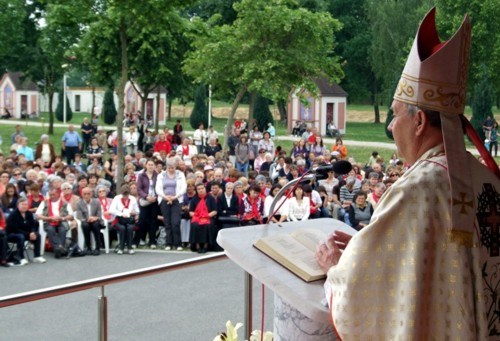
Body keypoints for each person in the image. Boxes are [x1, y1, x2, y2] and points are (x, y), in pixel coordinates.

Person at [315, 9, 500, 339]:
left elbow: (361, 295)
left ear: (419, 122)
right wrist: (365, 245)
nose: (389, 126)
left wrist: (334, 269)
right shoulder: (484, 177)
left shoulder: (416, 189)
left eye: (395, 115)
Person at [156, 159, 187, 251]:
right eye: (169, 168)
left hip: (177, 200)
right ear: (166, 167)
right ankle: (168, 243)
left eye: (172, 168)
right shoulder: (161, 175)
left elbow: (183, 187)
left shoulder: (180, 174)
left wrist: (175, 197)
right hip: (164, 200)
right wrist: (165, 197)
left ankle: (178, 243)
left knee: (176, 222)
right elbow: (158, 188)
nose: (171, 169)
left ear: (175, 167)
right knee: (167, 222)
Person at [36, 187, 74, 258]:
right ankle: (59, 248)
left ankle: (58, 249)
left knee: (62, 230)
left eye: (53, 194)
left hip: (61, 221)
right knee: (50, 230)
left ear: (58, 194)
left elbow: (71, 216)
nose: (52, 196)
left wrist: (62, 218)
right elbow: (38, 215)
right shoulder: (44, 203)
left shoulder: (65, 203)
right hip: (48, 221)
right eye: (50, 195)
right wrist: (48, 218)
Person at [6, 198, 46, 265]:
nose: (24, 206)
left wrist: (32, 232)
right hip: (12, 234)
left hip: (25, 233)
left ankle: (37, 256)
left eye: (26, 204)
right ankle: (21, 258)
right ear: (18, 205)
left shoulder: (29, 214)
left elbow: (33, 224)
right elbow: (14, 229)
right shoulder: (13, 215)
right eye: (22, 204)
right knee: (20, 237)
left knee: (37, 235)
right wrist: (28, 234)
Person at [134, 159, 158, 249]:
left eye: (152, 165)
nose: (151, 166)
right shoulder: (141, 176)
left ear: (154, 166)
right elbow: (139, 189)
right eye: (149, 164)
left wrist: (155, 197)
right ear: (146, 166)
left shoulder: (158, 176)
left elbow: (159, 187)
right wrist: (146, 196)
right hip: (144, 201)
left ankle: (152, 241)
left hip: (154, 201)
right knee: (142, 221)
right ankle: (136, 241)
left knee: (153, 222)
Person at [109, 185, 139, 255]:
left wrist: (134, 212)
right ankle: (121, 248)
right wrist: (121, 213)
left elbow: (138, 211)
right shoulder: (117, 198)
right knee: (122, 228)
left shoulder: (132, 199)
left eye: (127, 195)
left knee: (130, 228)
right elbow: (111, 210)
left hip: (129, 219)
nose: (125, 197)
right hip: (119, 220)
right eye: (124, 195)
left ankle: (130, 247)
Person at [189, 182, 217, 253]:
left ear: (205, 189)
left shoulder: (210, 198)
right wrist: (197, 216)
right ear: (196, 190)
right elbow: (190, 212)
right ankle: (197, 246)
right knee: (195, 225)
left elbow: (215, 211)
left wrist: (207, 215)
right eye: (198, 189)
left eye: (202, 188)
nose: (200, 190)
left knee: (207, 225)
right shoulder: (194, 199)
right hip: (197, 218)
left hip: (208, 217)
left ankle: (205, 246)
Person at [75, 187, 103, 255]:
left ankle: (97, 248)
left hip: (95, 220)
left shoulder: (96, 202)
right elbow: (79, 215)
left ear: (91, 194)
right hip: (85, 220)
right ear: (82, 194)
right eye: (85, 194)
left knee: (96, 225)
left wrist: (94, 218)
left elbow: (99, 214)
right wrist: (87, 219)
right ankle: (88, 247)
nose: (86, 195)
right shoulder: (79, 203)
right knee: (85, 225)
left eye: (88, 194)